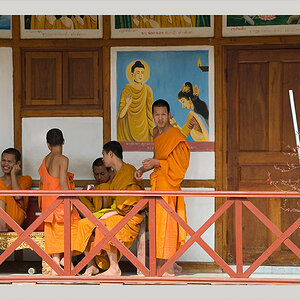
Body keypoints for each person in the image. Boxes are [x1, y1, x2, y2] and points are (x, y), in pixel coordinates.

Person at [135, 99, 190, 276]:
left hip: (170, 184)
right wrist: (143, 169)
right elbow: (157, 157)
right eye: (157, 115)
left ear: (169, 115)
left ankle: (165, 265)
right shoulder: (155, 133)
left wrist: (157, 162)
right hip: (158, 183)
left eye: (163, 115)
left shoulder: (175, 135)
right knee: (159, 225)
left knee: (167, 224)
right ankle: (167, 263)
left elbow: (180, 164)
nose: (160, 118)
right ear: (152, 116)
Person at [73, 141, 144, 276]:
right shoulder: (117, 174)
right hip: (119, 213)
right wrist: (96, 191)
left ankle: (114, 267)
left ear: (111, 154)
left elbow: (132, 201)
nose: (103, 158)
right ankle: (91, 264)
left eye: (104, 155)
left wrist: (112, 213)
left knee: (105, 224)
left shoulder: (129, 171)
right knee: (83, 224)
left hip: (130, 215)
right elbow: (111, 190)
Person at [38, 128, 81, 275]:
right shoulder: (62, 159)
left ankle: (56, 262)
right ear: (63, 141)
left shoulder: (45, 159)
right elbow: (63, 183)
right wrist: (70, 201)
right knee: (73, 226)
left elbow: (43, 180)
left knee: (55, 232)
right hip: (60, 202)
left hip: (48, 204)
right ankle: (67, 260)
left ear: (48, 144)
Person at [117, 60, 155, 142]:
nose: (140, 75)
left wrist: (153, 130)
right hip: (128, 129)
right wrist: (127, 104)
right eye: (138, 72)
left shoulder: (147, 90)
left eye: (142, 72)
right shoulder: (127, 89)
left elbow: (149, 112)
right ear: (132, 74)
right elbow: (121, 115)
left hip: (144, 128)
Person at [0, 148, 32, 231]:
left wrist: (13, 174)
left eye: (9, 161)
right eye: (3, 160)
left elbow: (18, 196)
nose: (5, 164)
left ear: (18, 163)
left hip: (15, 218)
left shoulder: (26, 179)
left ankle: (2, 228)